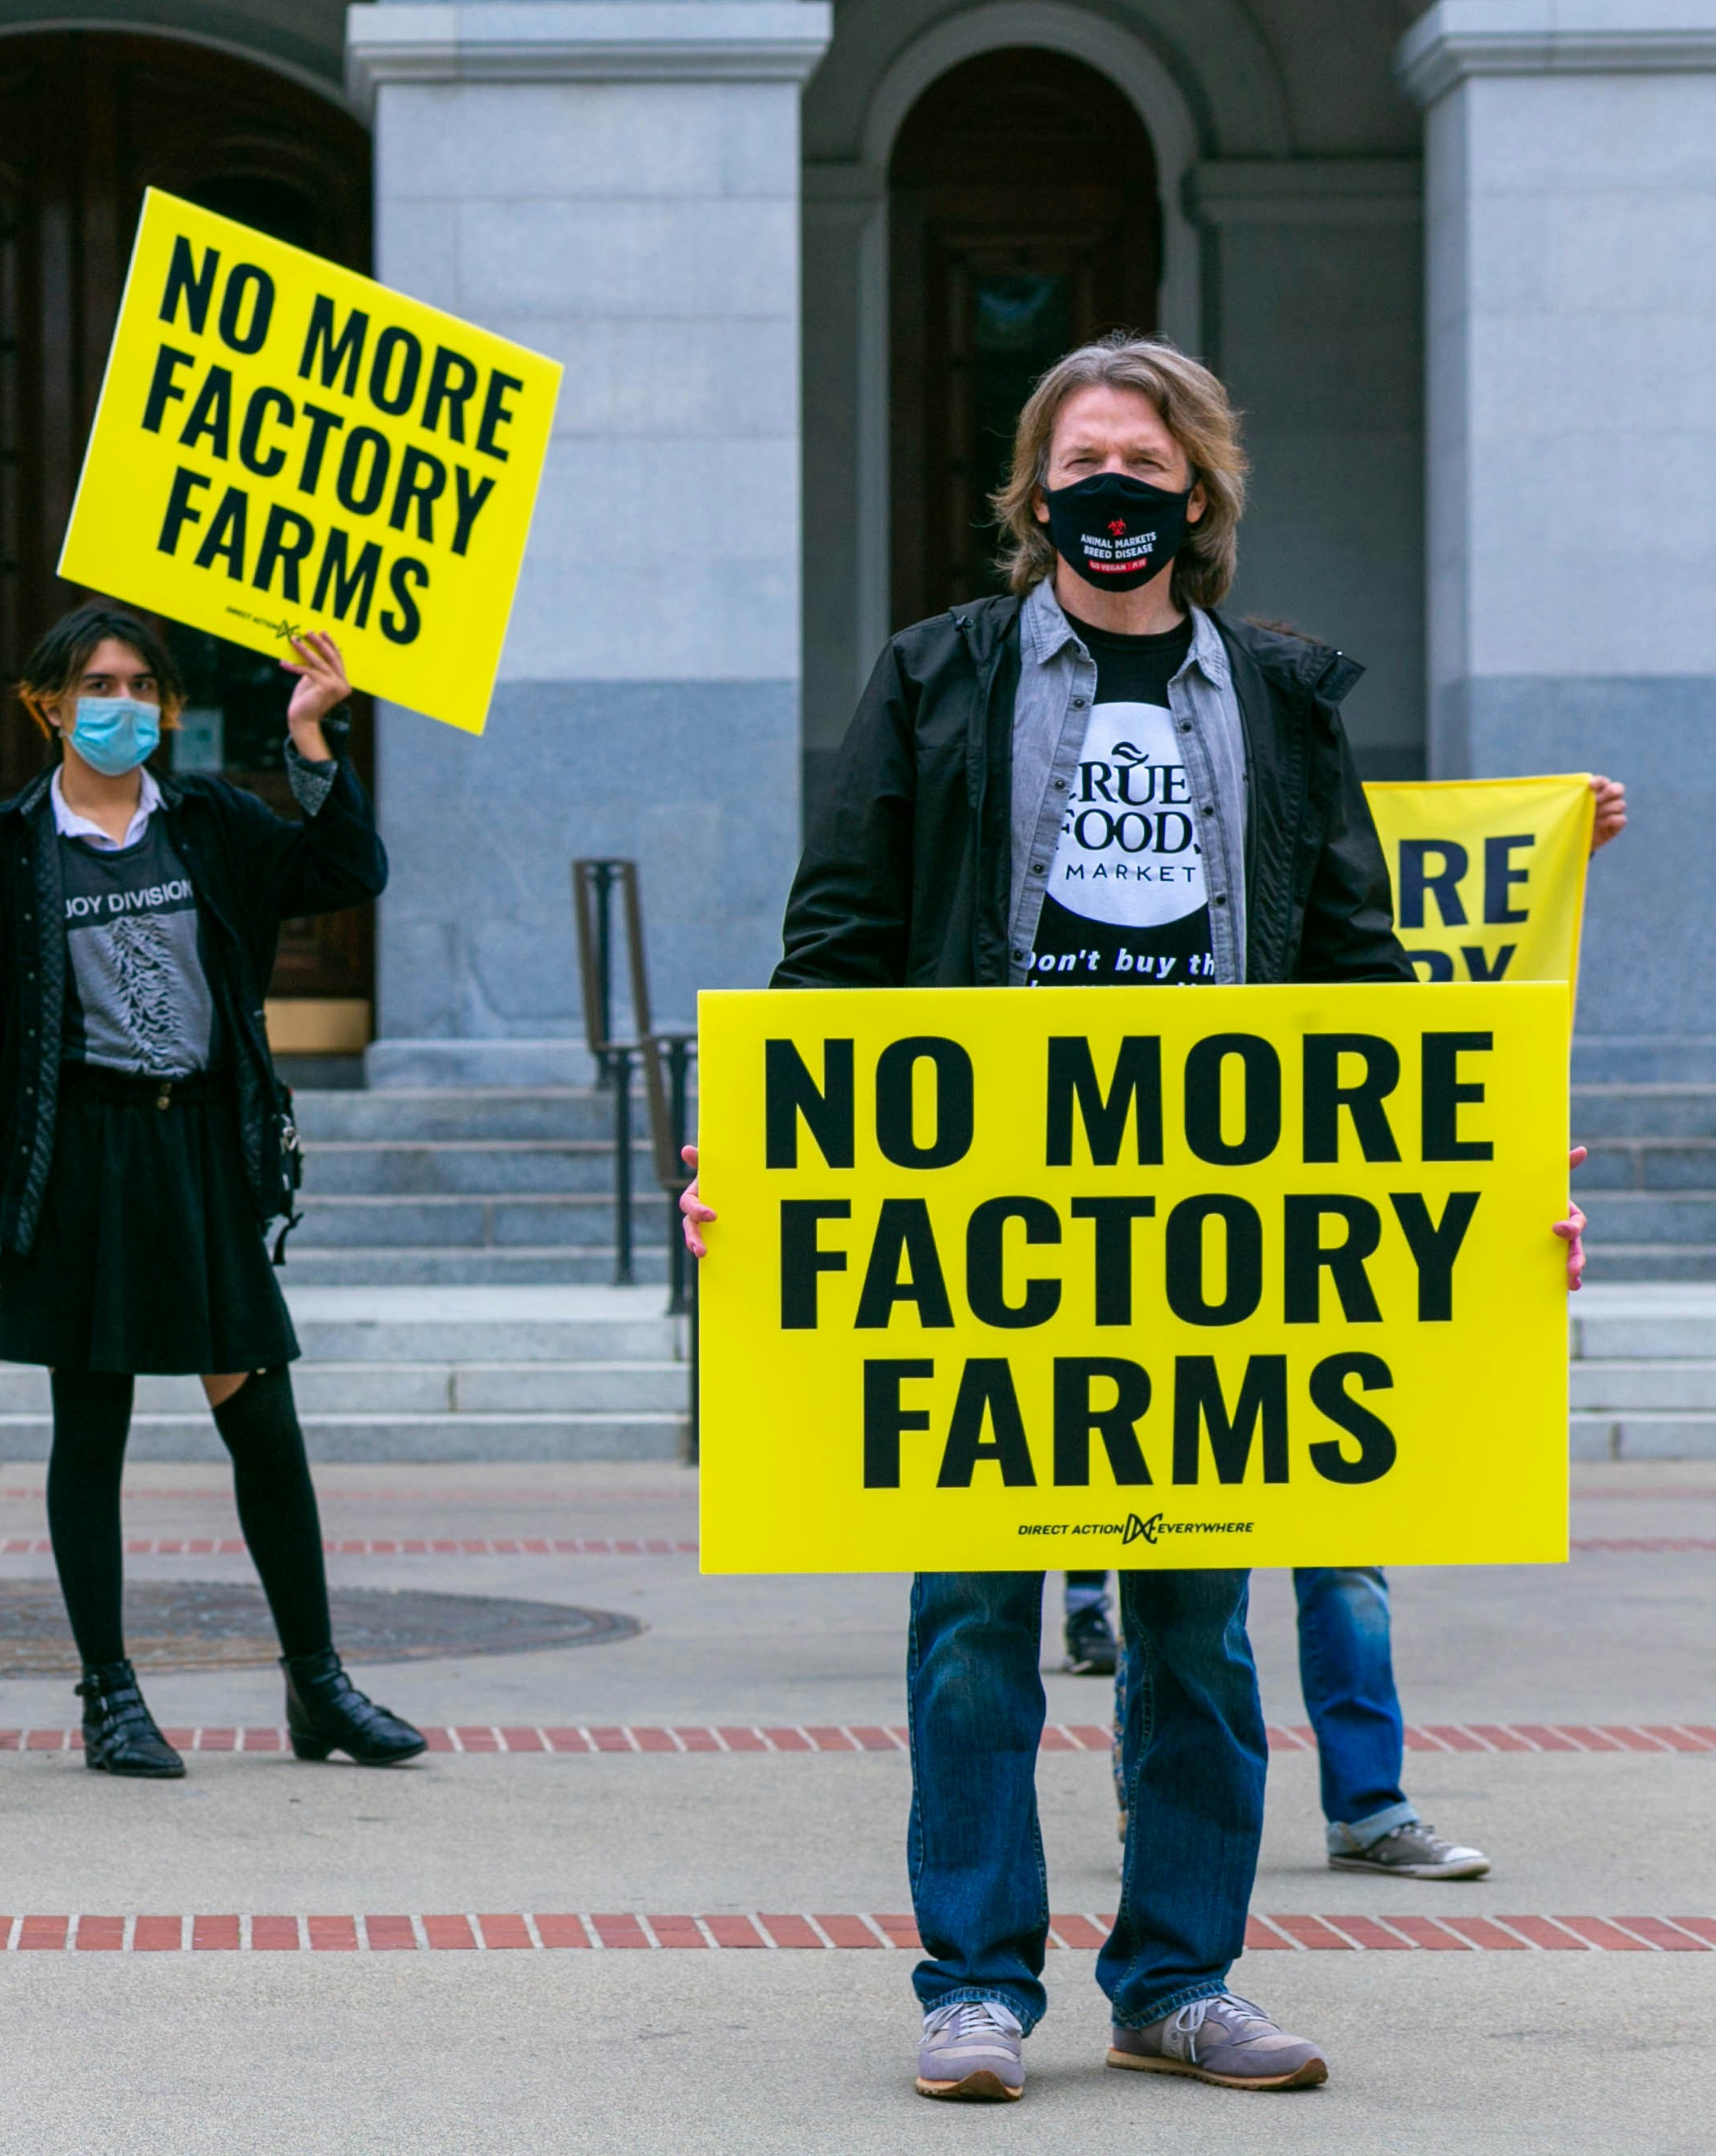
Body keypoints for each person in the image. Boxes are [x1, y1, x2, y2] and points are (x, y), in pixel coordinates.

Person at [679, 334, 1592, 2102]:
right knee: (966, 1616)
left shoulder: (1274, 697)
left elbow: (1362, 978)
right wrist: (758, 1153)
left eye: (1147, 468)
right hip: (982, 1227)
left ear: (1197, 497)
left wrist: (1484, 1201)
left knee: (1190, 1623)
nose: (1114, 494)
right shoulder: (935, 678)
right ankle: (972, 1982)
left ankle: (1174, 1975)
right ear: (1031, 494)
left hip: (1207, 1232)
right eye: (1083, 463)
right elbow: (836, 946)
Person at [1091, 770, 1633, 1886]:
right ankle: (1173, 1794)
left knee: (1340, 1558)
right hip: (1182, 1247)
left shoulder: (1312, 863)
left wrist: (1558, 849)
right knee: (1184, 1558)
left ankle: (1366, 1802)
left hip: (1317, 1256)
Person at [0, 602, 424, 1778]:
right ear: (47, 703)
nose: (122, 705)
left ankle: (317, 1683)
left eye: (142, 686)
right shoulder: (3, 845)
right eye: (98, 683)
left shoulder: (204, 818)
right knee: (89, 1428)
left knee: (263, 1421)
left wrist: (310, 739)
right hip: (77, 1155)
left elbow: (348, 868)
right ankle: (109, 1694)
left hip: (199, 1146)